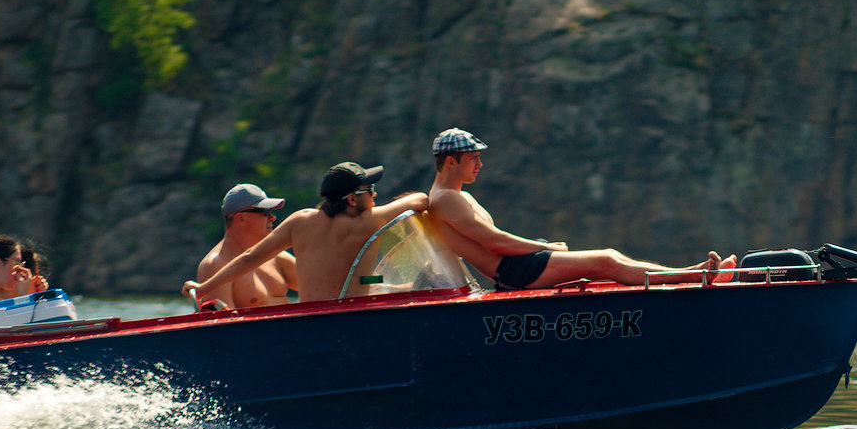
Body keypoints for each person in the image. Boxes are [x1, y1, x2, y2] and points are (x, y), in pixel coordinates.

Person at [426, 128, 736, 290]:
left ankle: (689, 275)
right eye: (473, 159)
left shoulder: (453, 195)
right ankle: (693, 277)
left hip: (518, 266)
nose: (480, 164)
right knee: (606, 259)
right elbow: (492, 241)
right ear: (451, 162)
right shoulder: (446, 198)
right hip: (513, 272)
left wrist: (545, 249)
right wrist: (547, 248)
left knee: (607, 263)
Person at [183, 162, 430, 305]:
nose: (375, 195)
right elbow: (421, 199)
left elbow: (249, 258)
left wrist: (204, 287)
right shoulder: (369, 221)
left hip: (308, 326)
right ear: (352, 199)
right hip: (336, 326)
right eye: (370, 190)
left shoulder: (299, 221)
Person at [195, 183, 298, 310]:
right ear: (241, 217)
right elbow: (224, 326)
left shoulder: (277, 257)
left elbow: (321, 284)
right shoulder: (215, 265)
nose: (272, 217)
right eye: (265, 212)